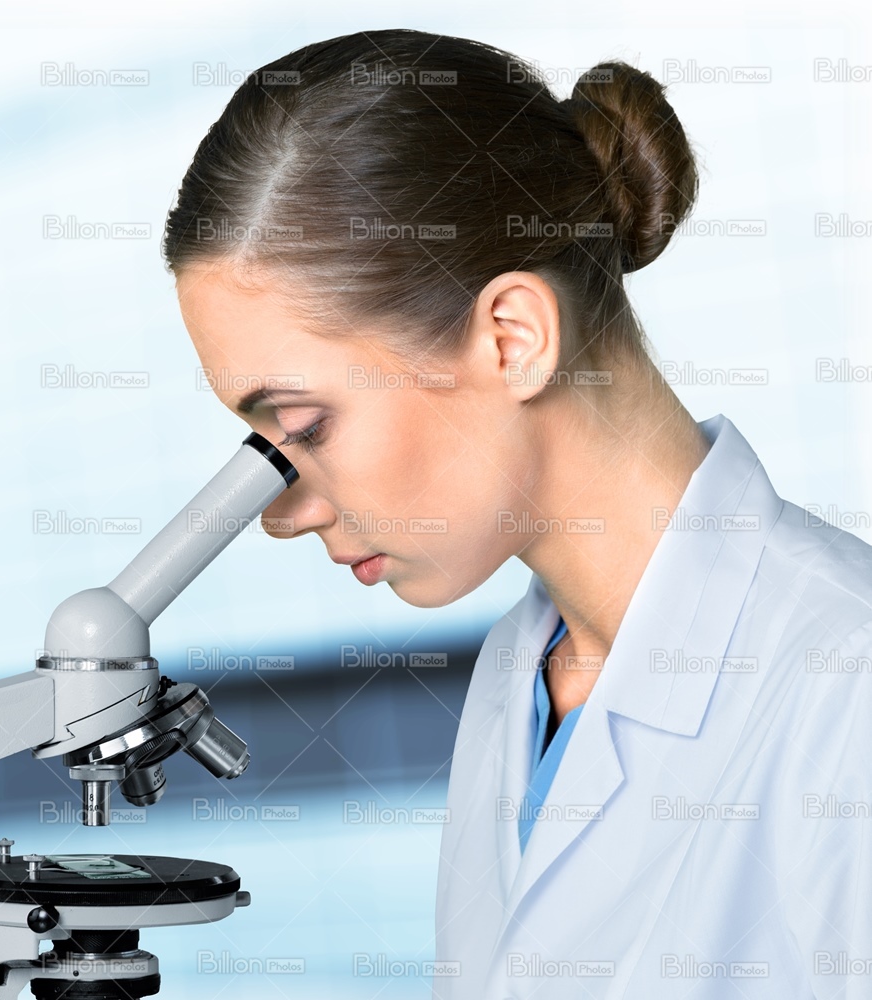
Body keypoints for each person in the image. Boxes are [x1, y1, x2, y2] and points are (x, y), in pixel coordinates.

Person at [163, 28, 872, 999]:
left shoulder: (845, 688)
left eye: (302, 427)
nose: (282, 513)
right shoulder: (517, 670)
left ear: (512, 339)